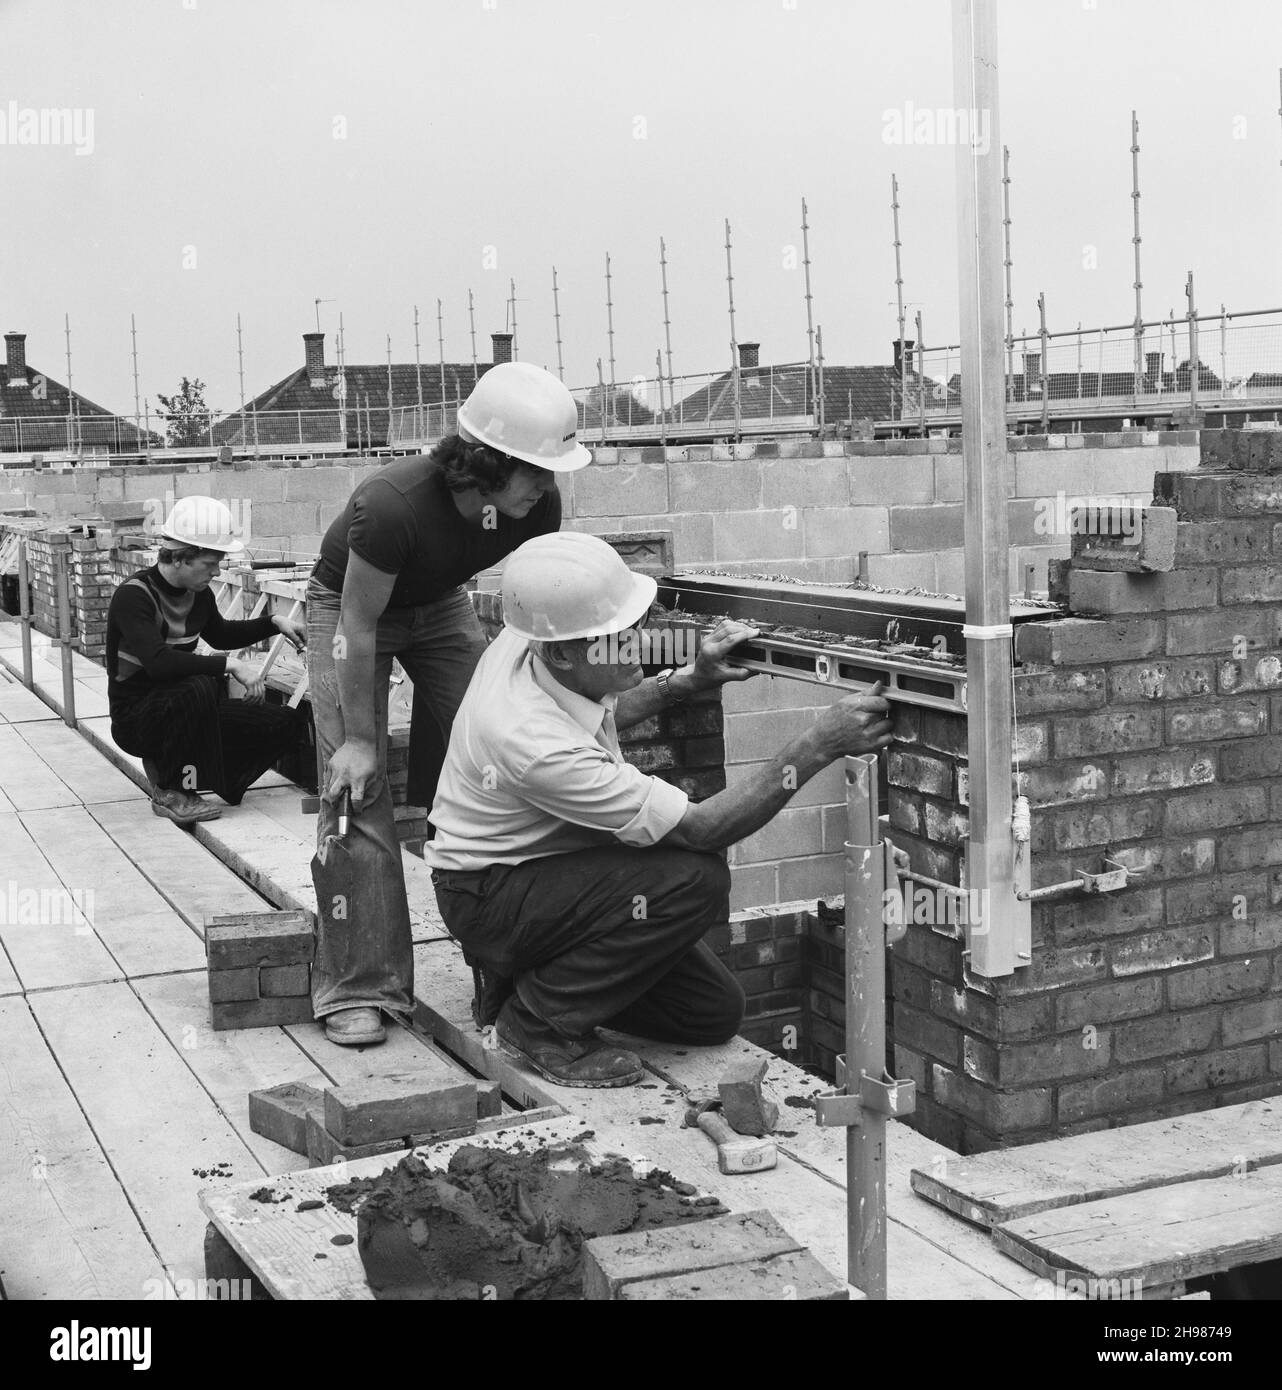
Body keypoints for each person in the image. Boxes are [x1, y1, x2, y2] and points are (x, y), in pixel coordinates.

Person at [426, 532, 896, 1088]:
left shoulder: (538, 634)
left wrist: (686, 681)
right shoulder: (527, 739)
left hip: (538, 876)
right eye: (619, 637)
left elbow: (594, 717)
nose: (639, 643)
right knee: (692, 878)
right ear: (560, 651)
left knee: (711, 1013)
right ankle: (533, 1026)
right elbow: (702, 830)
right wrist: (817, 745)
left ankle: (520, 979)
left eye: (636, 625)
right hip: (489, 894)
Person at [307, 361, 591, 1047]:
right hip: (350, 611)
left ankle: (503, 967)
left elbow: (540, 610)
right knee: (356, 787)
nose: (547, 487)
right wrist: (361, 739)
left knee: (499, 756)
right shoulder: (392, 505)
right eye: (534, 470)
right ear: (485, 463)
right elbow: (358, 628)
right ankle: (361, 984)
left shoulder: (537, 507)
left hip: (438, 607)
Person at [106, 496, 307, 826]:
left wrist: (274, 623)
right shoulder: (135, 595)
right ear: (182, 558)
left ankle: (200, 778)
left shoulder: (199, 594)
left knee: (285, 722)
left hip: (189, 710)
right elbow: (158, 663)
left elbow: (222, 635)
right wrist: (230, 665)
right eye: (210, 563)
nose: (216, 571)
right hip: (138, 719)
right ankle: (172, 789)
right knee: (200, 683)